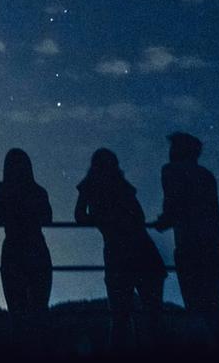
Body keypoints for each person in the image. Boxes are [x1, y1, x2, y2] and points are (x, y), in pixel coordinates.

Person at [75, 148, 165, 350]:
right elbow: (139, 218)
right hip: (143, 254)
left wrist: (101, 220)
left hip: (118, 256)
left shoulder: (91, 186)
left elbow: (80, 216)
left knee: (120, 318)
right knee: (152, 317)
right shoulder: (123, 187)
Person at [152, 132, 219, 348]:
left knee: (196, 311)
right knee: (217, 316)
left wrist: (163, 222)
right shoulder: (206, 175)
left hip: (190, 249)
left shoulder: (170, 171)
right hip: (216, 249)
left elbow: (173, 207)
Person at [0, 148, 52, 339]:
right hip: (35, 248)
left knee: (17, 311)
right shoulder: (38, 190)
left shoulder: (3, 189)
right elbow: (47, 218)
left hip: (13, 250)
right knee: (38, 310)